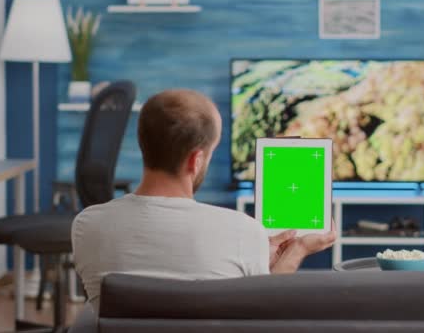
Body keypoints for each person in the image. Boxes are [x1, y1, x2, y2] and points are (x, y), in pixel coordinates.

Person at [72, 89, 336, 311]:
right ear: (196, 160)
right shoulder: (241, 230)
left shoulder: (87, 224)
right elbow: (264, 311)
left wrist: (251, 254)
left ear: (143, 141)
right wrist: (297, 249)